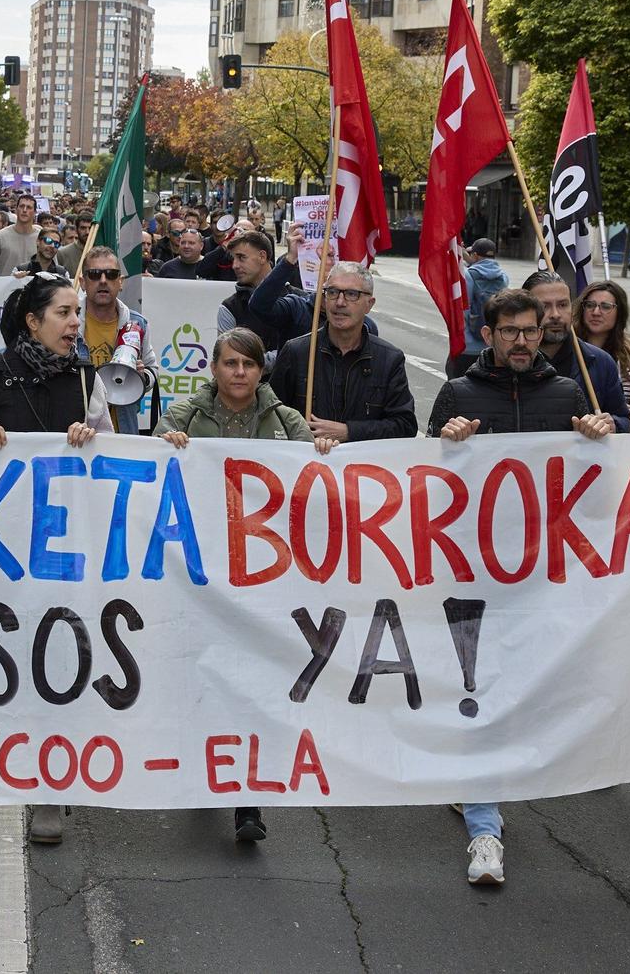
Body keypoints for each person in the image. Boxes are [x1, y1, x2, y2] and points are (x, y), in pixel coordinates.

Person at [428, 288, 615, 887]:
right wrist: (446, 440)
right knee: (476, 684)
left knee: (522, 684)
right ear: (489, 336)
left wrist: (598, 436)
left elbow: (602, 487)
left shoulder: (566, 394)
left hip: (540, 573)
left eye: (530, 331)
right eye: (509, 331)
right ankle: (485, 826)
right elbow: (421, 477)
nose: (521, 341)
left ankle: (484, 783)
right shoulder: (459, 392)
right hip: (470, 570)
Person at [0, 273, 109, 847]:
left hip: (61, 550)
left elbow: (112, 454)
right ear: (33, 321)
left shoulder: (88, 379)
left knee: (56, 661)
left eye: (77, 313)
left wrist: (93, 438)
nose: (75, 323)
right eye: (64, 312)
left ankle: (50, 786)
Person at [154, 325, 319, 845]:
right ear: (215, 368)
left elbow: (313, 486)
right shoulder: (185, 416)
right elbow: (153, 467)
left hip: (262, 579)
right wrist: (167, 447)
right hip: (199, 576)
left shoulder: (286, 421)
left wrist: (324, 455)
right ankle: (204, 773)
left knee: (250, 686)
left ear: (261, 369)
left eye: (248, 364)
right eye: (230, 364)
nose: (240, 373)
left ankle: (245, 800)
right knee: (202, 678)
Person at [267, 262, 416, 443]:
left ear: (369, 304)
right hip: (306, 466)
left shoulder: (389, 359)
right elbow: (270, 416)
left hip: (363, 467)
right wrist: (302, 435)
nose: (340, 302)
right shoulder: (297, 352)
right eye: (332, 292)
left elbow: (405, 426)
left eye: (352, 294)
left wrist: (350, 432)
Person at [523, 270, 630, 431]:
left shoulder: (600, 362)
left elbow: (624, 419)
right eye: (544, 306)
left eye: (563, 305)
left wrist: (612, 424)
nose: (555, 315)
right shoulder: (509, 360)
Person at [79, 247, 157, 434]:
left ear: (120, 282)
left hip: (123, 429)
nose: (103, 281)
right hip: (77, 430)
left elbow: (152, 369)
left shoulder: (137, 323)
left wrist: (142, 377)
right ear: (83, 282)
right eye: (95, 274)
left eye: (111, 275)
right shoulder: (67, 321)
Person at [575, 280, 630, 433]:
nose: (596, 312)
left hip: (622, 446)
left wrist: (627, 427)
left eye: (606, 307)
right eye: (590, 305)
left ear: (620, 312)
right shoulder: (569, 349)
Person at [450, 237, 508, 376]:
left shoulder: (468, 276)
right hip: (492, 345)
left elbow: (463, 310)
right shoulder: (503, 277)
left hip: (468, 346)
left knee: (458, 387)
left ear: (475, 255)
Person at [0, 199, 41, 275]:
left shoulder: (41, 236)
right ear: (16, 210)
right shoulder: (0, 236)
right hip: (5, 286)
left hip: (34, 286)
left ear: (35, 212)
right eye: (21, 206)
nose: (24, 210)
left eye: (29, 207)